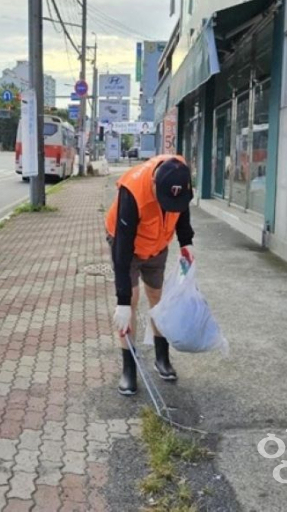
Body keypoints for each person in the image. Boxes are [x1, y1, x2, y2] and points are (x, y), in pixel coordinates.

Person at [105, 155, 195, 396]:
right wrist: (122, 301)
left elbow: (182, 213)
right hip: (128, 246)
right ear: (154, 183)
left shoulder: (180, 175)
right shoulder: (132, 191)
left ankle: (161, 358)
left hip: (157, 244)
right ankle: (129, 368)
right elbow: (122, 251)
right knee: (132, 301)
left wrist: (186, 242)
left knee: (158, 297)